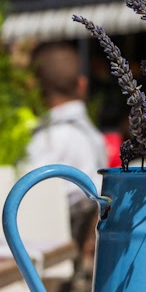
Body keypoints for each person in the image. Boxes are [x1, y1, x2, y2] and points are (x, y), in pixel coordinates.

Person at [23, 41, 108, 246]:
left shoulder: (48, 140)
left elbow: (26, 205)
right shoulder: (93, 136)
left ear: (33, 88)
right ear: (82, 85)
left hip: (47, 255)